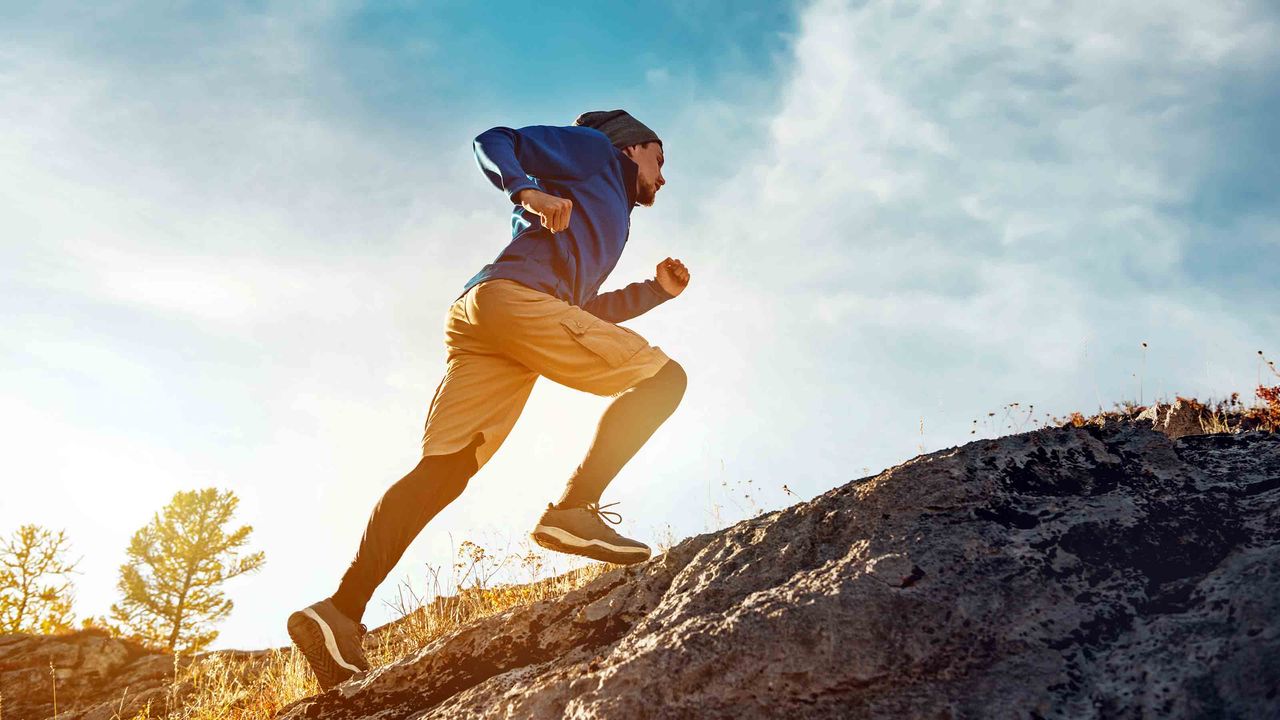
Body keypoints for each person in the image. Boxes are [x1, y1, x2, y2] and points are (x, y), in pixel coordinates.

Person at [286, 109, 690, 690]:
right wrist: (523, 188)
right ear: (632, 149)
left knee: (446, 469)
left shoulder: (604, 212)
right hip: (512, 300)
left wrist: (655, 292)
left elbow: (576, 315)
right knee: (663, 380)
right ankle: (574, 510)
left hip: (490, 316)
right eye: (659, 158)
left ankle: (339, 611)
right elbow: (494, 140)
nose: (663, 176)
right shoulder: (595, 152)